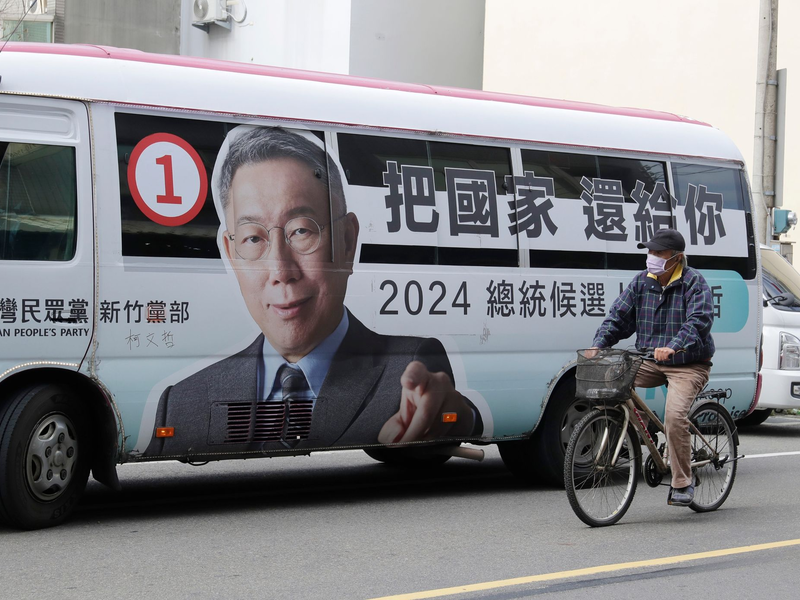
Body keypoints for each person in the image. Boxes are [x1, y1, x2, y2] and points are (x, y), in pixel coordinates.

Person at [145, 126, 483, 457]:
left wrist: (461, 419)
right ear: (231, 255)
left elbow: (440, 411)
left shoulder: (408, 368)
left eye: (301, 231)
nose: (281, 271)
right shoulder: (182, 401)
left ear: (348, 242)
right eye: (253, 238)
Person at [588, 228, 714, 507]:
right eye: (650, 252)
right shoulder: (641, 282)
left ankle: (683, 482)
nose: (651, 257)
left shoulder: (694, 283)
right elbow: (618, 316)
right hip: (650, 360)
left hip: (688, 363)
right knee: (612, 378)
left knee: (675, 417)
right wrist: (599, 344)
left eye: (658, 253)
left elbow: (699, 320)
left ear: (676, 258)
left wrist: (675, 344)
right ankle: (646, 431)